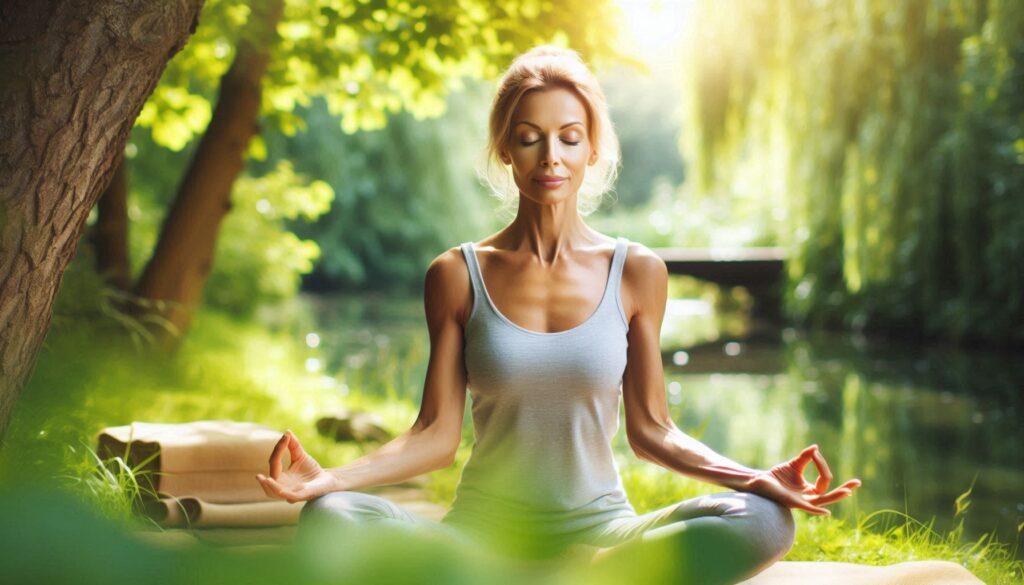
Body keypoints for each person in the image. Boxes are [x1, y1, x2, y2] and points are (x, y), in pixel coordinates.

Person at [256, 45, 861, 583]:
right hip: (480, 536)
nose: (552, 156)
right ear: (505, 149)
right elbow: (434, 436)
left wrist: (755, 478)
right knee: (333, 517)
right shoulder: (456, 274)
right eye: (530, 137)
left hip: (604, 536)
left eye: (570, 137)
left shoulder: (637, 271)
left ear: (592, 149)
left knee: (763, 522)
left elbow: (653, 431)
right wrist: (331, 480)